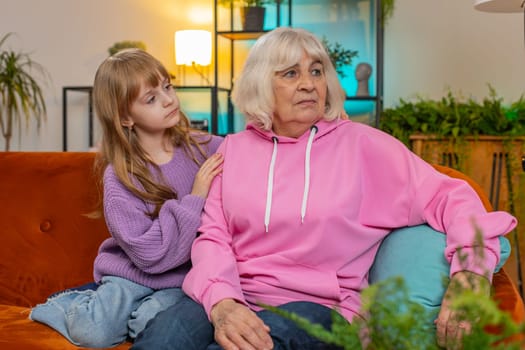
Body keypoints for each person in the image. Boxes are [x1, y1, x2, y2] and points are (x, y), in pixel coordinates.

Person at [131, 27, 517, 350]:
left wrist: (471, 274)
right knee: (164, 336)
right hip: (235, 296)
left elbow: (452, 196)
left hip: (323, 309)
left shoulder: (364, 146)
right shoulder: (234, 150)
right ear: (261, 85)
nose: (308, 85)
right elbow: (212, 237)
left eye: (316, 72)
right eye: (290, 74)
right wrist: (222, 303)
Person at [29, 49, 223, 348]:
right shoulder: (120, 175)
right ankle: (71, 302)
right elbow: (149, 255)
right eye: (151, 98)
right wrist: (196, 197)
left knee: (151, 323)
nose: (169, 99)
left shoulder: (204, 148)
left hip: (181, 279)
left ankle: (127, 312)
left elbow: (251, 152)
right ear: (124, 117)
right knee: (93, 332)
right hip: (130, 274)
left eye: (167, 86)